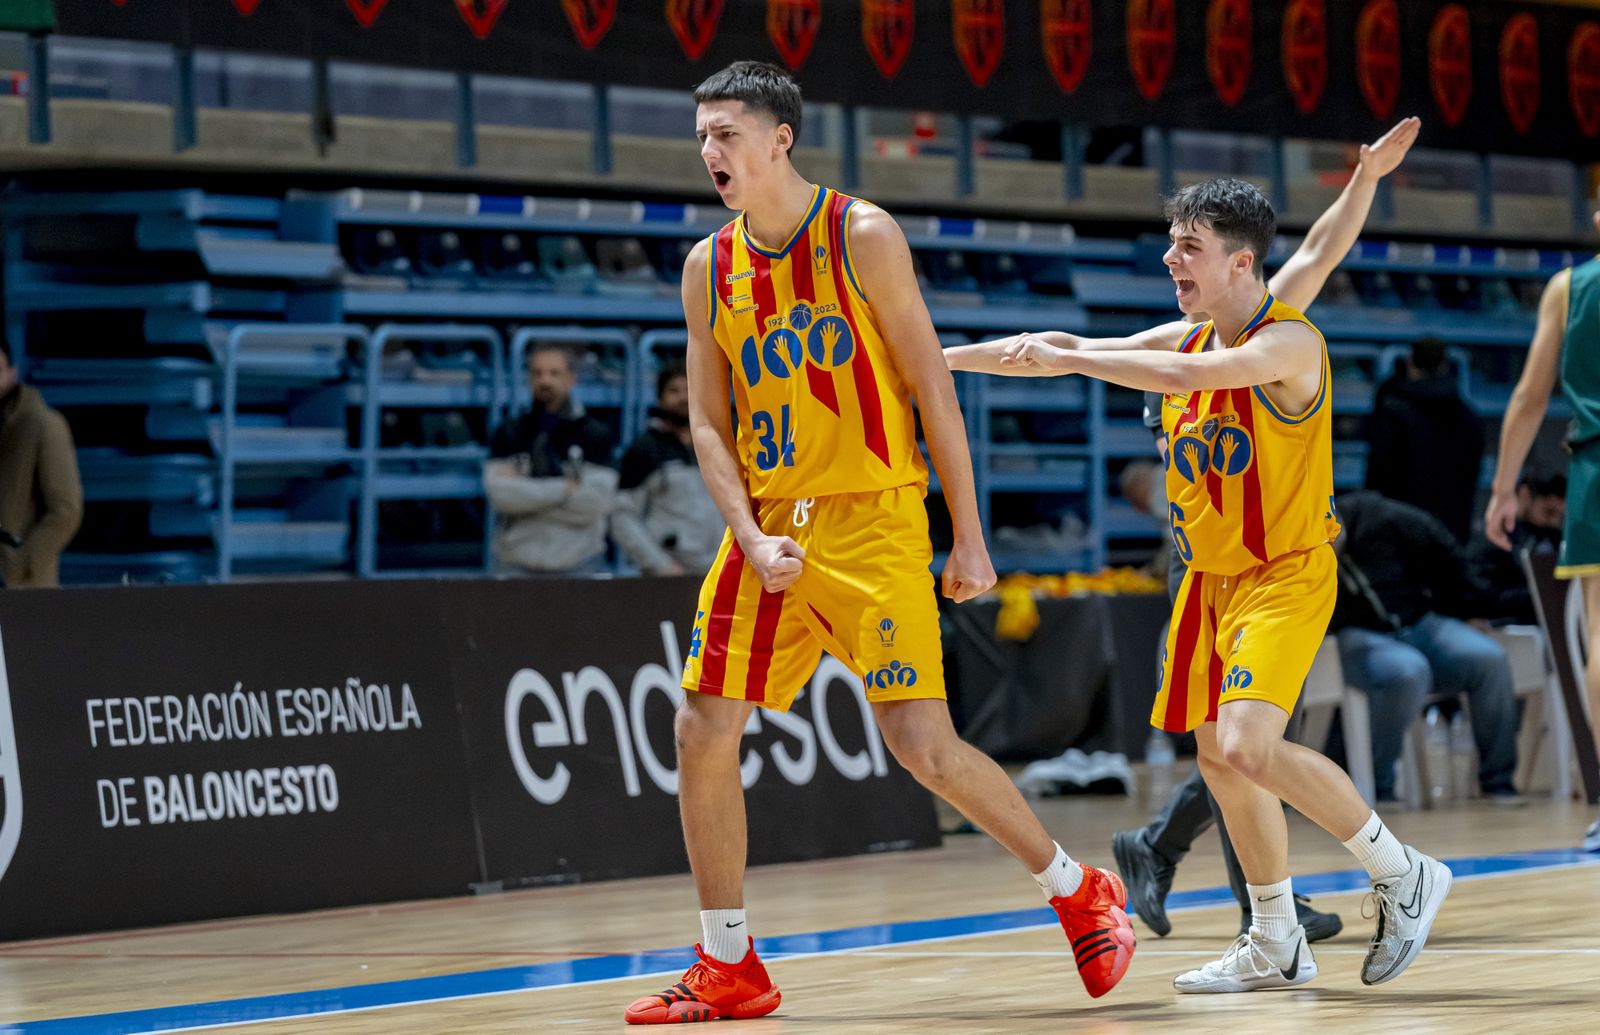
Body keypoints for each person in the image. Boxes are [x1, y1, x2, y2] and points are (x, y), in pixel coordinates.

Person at [623, 62, 1134, 1025]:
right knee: (701, 724)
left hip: (876, 520)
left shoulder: (861, 235)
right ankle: (729, 960)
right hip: (769, 530)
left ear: (781, 138)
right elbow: (705, 424)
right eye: (701, 135)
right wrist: (746, 534)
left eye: (727, 133)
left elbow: (933, 387)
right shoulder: (707, 267)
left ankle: (1076, 889)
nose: (710, 152)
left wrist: (970, 536)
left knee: (923, 749)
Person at [950, 176, 1451, 993]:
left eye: (1189, 246)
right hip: (1210, 581)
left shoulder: (1288, 343)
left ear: (1241, 260)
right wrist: (929, 359)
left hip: (1283, 573)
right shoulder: (1187, 336)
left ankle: (1402, 872)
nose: (1169, 258)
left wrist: (1075, 356)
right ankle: (1276, 936)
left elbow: (1193, 374)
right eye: (1171, 241)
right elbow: (1047, 352)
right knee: (1220, 760)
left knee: (1251, 744)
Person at [1484, 189, 1600, 852]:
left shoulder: (1569, 288)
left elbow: (1530, 396)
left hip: (1594, 469)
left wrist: (1504, 487)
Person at [1332, 490, 1520, 803]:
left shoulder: (1377, 515)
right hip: (1358, 636)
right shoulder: (1299, 556)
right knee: (1407, 670)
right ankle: (1379, 787)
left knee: (1489, 659)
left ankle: (1497, 782)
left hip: (1420, 623)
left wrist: (1465, 606)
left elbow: (1442, 546)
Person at [483, 344, 617, 574]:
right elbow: (500, 496)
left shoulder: (595, 433)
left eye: (554, 373)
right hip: (515, 562)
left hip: (580, 562)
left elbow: (596, 503)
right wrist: (566, 488)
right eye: (537, 373)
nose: (545, 380)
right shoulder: (509, 431)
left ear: (571, 378)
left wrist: (527, 501)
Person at [1364, 336, 1486, 543]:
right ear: (1444, 365)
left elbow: (1378, 474)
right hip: (1450, 532)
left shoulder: (1392, 411)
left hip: (1398, 532)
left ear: (1410, 361)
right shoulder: (1468, 417)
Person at [611, 364, 725, 576]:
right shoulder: (644, 448)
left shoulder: (723, 444)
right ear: (659, 397)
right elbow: (622, 516)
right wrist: (661, 565)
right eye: (674, 391)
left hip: (721, 570)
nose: (683, 397)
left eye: (689, 389)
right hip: (668, 574)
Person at [0, 337, 83, 588]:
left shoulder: (42, 425)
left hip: (22, 589)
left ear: (12, 374)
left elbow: (65, 511)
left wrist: (20, 565)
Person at [1468, 473, 1565, 625]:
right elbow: (1482, 591)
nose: (1552, 522)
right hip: (1499, 621)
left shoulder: (1552, 537)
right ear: (1525, 495)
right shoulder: (1495, 535)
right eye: (1548, 512)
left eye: (1559, 517)